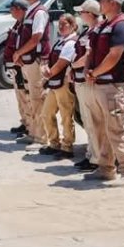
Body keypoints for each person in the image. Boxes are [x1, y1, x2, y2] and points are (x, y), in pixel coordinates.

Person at [84, 0, 124, 186]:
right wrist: (88, 70)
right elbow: (90, 50)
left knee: (116, 129)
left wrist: (94, 73)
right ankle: (106, 168)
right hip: (99, 84)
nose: (100, 2)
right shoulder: (102, 25)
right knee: (100, 129)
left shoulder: (121, 25)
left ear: (113, 2)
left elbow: (114, 55)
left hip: (114, 86)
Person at [13, 0, 51, 148]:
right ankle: (34, 133)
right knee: (31, 98)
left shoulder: (39, 12)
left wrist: (18, 53)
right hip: (28, 61)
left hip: (36, 61)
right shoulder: (31, 11)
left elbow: (36, 38)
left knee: (37, 99)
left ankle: (42, 137)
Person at [38, 14, 79, 158]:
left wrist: (47, 74)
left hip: (64, 83)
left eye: (64, 24)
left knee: (66, 116)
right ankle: (54, 143)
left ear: (73, 25)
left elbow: (62, 63)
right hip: (55, 82)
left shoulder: (71, 42)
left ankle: (67, 147)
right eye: (59, 24)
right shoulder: (61, 41)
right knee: (46, 113)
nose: (61, 27)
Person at [71, 0, 103, 171]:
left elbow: (89, 55)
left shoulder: (96, 31)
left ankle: (96, 159)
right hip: (79, 80)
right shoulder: (88, 30)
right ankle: (91, 155)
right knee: (87, 120)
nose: (79, 15)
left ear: (90, 14)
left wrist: (74, 65)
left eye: (81, 12)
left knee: (92, 121)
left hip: (87, 81)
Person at [7, 0, 31, 138]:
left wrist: (19, 55)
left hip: (21, 64)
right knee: (20, 95)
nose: (10, 11)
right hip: (14, 64)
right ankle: (24, 122)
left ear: (19, 9)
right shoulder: (18, 24)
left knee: (25, 96)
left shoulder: (26, 25)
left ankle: (30, 126)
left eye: (12, 9)